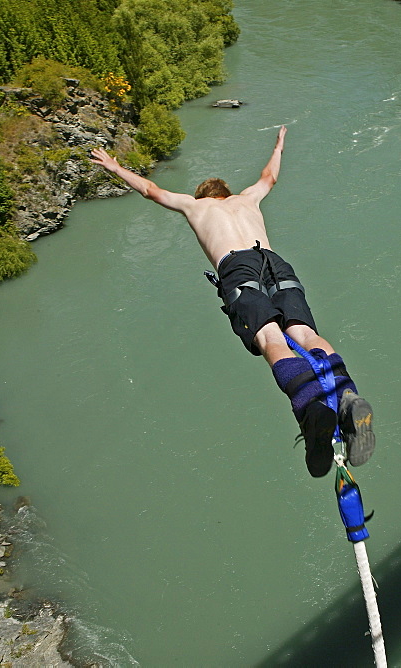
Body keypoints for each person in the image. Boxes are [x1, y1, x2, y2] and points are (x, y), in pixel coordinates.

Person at [90, 126, 374, 477]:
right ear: (227, 193)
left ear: (205, 195)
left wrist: (115, 168)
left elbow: (151, 190)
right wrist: (280, 144)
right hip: (274, 261)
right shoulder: (247, 199)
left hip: (237, 268)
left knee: (270, 338)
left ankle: (311, 406)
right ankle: (347, 396)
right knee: (303, 333)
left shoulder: (195, 205)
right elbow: (269, 176)